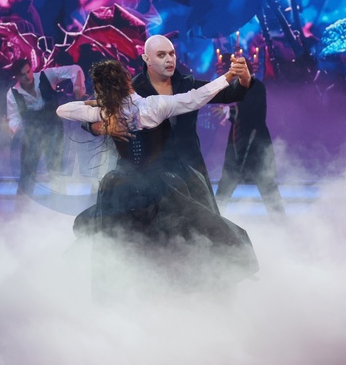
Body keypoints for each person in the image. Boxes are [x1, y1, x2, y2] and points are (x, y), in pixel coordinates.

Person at [56, 59, 259, 290]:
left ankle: (130, 288)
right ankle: (199, 277)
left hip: (120, 186)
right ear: (127, 78)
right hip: (156, 183)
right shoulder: (153, 106)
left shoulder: (104, 112)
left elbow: (63, 110)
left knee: (113, 237)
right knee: (186, 228)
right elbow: (197, 97)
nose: (169, 59)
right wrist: (229, 76)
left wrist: (101, 112)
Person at [83, 35, 252, 208]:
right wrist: (102, 127)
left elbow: (230, 94)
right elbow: (87, 113)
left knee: (202, 221)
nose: (169, 59)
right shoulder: (132, 90)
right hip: (147, 174)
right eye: (161, 55)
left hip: (189, 168)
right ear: (146, 58)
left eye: (172, 54)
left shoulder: (188, 84)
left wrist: (244, 78)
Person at [215, 58, 286, 219]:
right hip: (238, 141)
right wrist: (228, 111)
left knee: (266, 183)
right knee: (226, 183)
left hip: (255, 142)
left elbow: (251, 114)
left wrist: (229, 112)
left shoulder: (256, 86)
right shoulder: (236, 87)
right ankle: (214, 220)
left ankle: (280, 221)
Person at [6, 58, 86, 194]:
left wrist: (78, 87)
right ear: (17, 77)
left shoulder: (47, 75)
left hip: (53, 130)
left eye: (28, 72)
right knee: (27, 173)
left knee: (56, 170)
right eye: (23, 75)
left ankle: (59, 203)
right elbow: (13, 118)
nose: (28, 77)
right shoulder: (12, 93)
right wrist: (17, 131)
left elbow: (75, 69)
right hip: (31, 134)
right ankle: (22, 205)